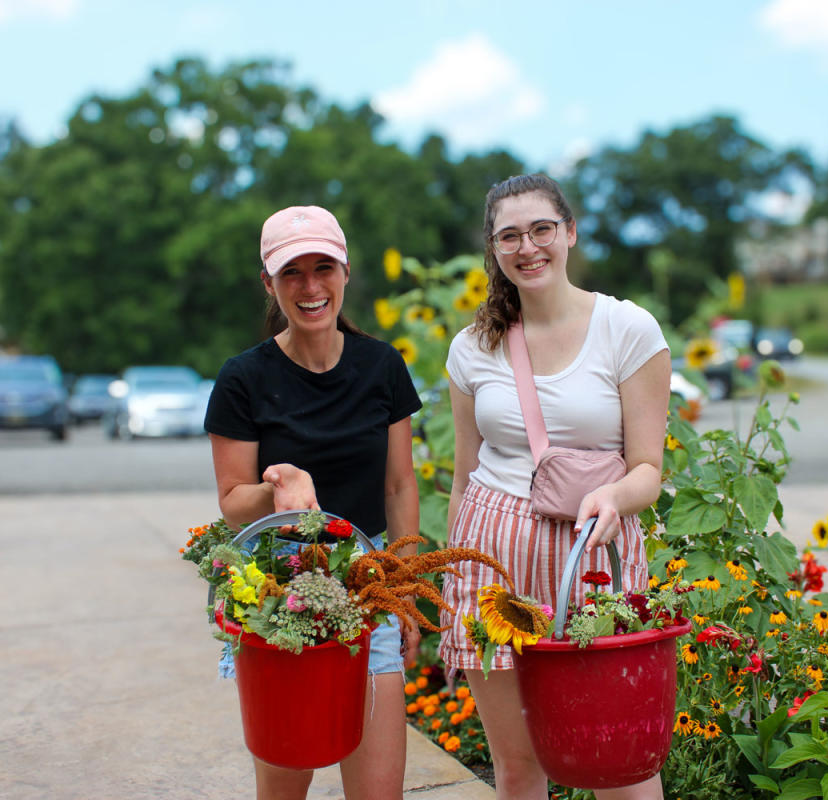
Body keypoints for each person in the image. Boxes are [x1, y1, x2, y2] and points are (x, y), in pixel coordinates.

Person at [438, 174, 672, 800]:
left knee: (618, 761)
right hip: (490, 563)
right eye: (509, 236)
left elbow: (648, 470)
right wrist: (452, 575)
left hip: (593, 558)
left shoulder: (628, 330)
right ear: (494, 250)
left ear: (569, 233)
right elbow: (465, 474)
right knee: (518, 767)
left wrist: (615, 498)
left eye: (542, 229)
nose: (528, 247)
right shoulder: (472, 347)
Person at [203, 205, 423, 800]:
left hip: (366, 579)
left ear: (345, 272)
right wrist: (281, 491)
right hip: (278, 586)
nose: (309, 286)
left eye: (322, 267)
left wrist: (401, 588)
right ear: (269, 284)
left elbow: (400, 487)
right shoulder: (243, 378)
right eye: (291, 272)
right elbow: (231, 502)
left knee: (379, 792)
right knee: (286, 781)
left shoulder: (381, 366)